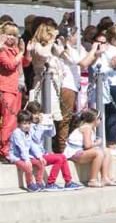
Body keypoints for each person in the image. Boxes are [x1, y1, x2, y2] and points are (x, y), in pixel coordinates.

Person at [25, 102, 82, 191]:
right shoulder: (28, 126)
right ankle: (50, 183)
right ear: (29, 114)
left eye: (38, 113)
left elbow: (52, 134)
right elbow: (36, 139)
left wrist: (50, 123)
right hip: (34, 156)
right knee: (59, 159)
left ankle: (68, 182)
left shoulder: (38, 125)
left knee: (62, 157)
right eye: (34, 113)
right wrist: (40, 125)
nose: (37, 116)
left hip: (42, 154)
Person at [63, 109, 116, 187]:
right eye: (100, 119)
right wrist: (97, 143)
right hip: (74, 153)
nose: (100, 121)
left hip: (80, 151)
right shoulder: (87, 128)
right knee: (99, 153)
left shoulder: (90, 128)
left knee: (106, 151)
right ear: (94, 120)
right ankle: (93, 180)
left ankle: (105, 178)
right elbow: (87, 145)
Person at [0, 22, 30, 160]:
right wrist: (21, 53)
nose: (12, 37)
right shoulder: (2, 49)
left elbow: (25, 63)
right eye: (9, 34)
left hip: (16, 89)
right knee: (8, 120)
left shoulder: (15, 49)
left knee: (12, 120)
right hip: (6, 89)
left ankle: (10, 149)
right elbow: (10, 65)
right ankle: (4, 151)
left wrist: (25, 50)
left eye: (14, 35)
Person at [7, 111, 46, 192]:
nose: (27, 126)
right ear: (18, 123)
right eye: (24, 123)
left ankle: (39, 181)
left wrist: (39, 156)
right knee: (28, 166)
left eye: (29, 123)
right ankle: (30, 184)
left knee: (40, 163)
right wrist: (27, 160)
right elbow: (22, 147)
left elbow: (32, 145)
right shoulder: (16, 133)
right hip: (16, 157)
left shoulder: (28, 132)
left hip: (25, 156)